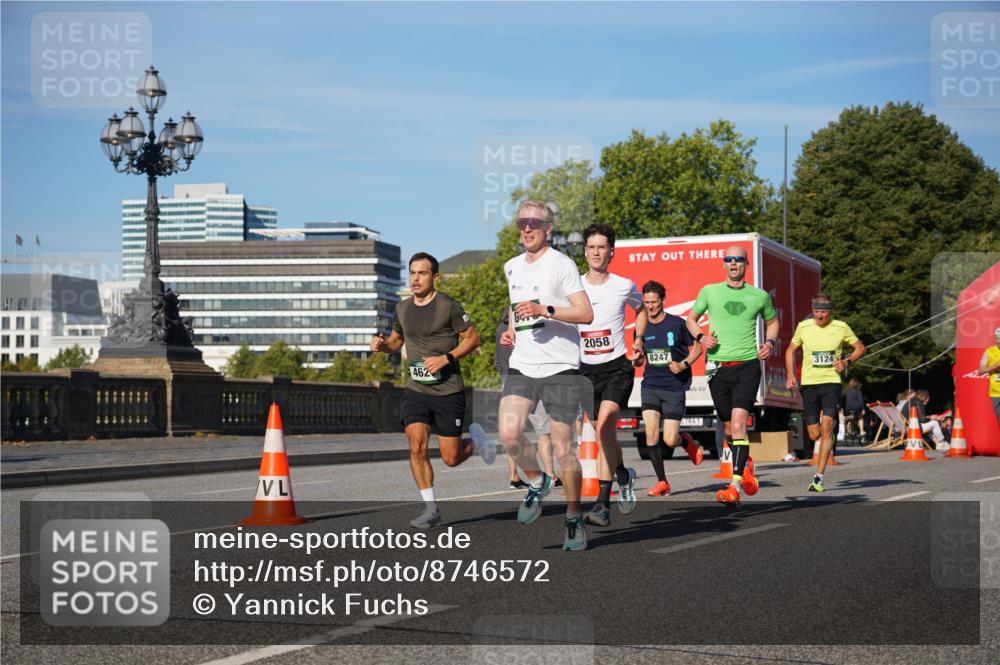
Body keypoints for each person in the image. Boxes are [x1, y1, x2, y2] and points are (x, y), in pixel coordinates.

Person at [498, 200, 594, 551]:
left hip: (561, 368)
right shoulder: (511, 266)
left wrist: (546, 310)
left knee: (564, 448)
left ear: (548, 229)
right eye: (522, 221)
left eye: (534, 223)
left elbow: (585, 313)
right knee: (509, 433)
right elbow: (514, 304)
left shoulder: (562, 264)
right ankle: (538, 482)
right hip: (524, 363)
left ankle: (572, 518)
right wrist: (511, 330)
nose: (527, 227)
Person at [371, 252, 491, 529]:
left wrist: (446, 358)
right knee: (416, 446)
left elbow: (473, 339)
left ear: (434, 277)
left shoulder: (448, 306)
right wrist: (381, 346)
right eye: (412, 273)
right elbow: (396, 341)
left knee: (450, 458)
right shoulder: (402, 309)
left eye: (422, 273)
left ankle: (477, 440)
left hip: (448, 391)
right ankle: (431, 509)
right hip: (416, 390)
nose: (415, 278)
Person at [686, 245, 777, 507]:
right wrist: (701, 337)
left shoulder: (759, 296)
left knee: (739, 424)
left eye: (738, 259)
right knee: (728, 429)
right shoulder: (710, 291)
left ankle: (735, 485)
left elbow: (772, 322)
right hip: (717, 368)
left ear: (746, 264)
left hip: (747, 365)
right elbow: (691, 319)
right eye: (729, 259)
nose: (733, 263)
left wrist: (769, 343)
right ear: (724, 264)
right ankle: (745, 463)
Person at [576, 224, 647, 527]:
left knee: (604, 427)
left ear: (611, 252)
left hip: (618, 366)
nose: (596, 252)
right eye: (591, 246)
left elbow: (641, 310)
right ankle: (622, 474)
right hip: (585, 371)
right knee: (605, 434)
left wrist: (638, 340)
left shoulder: (623, 285)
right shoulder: (574, 288)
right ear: (585, 252)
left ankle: (602, 505)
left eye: (601, 247)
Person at [785, 294, 866, 492]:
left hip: (831, 382)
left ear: (831, 311)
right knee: (814, 434)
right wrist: (790, 375)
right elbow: (790, 350)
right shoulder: (804, 327)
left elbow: (860, 348)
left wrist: (846, 361)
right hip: (809, 384)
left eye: (824, 312)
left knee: (827, 426)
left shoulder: (841, 327)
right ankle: (824, 438)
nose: (820, 316)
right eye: (816, 311)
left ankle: (819, 477)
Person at [637, 280, 704, 497]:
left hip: (674, 386)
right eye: (646, 302)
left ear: (663, 301)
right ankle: (662, 482)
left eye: (654, 302)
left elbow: (698, 348)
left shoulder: (677, 324)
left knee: (669, 440)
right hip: (651, 384)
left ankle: (685, 441)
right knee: (651, 434)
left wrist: (683, 364)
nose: (650, 306)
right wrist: (636, 359)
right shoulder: (641, 326)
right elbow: (640, 360)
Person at [495, 309, 561, 489]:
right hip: (530, 379)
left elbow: (498, 360)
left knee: (512, 433)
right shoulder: (532, 326)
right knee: (543, 431)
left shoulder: (500, 329)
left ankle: (514, 476)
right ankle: (549, 474)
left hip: (509, 381)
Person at [978, 326, 1000, 426]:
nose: (998, 341)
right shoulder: (989, 351)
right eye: (997, 338)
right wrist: (996, 366)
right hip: (996, 392)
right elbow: (981, 370)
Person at [844, 378, 865, 444]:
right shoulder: (858, 391)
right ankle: (861, 431)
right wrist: (863, 409)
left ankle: (848, 432)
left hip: (848, 408)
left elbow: (847, 401)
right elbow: (861, 400)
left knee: (849, 419)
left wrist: (846, 412)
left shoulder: (848, 391)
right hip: (857, 408)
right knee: (860, 417)